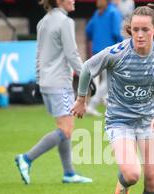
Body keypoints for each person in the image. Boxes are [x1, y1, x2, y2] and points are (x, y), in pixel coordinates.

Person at [71, 3, 154, 194]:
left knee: (153, 180)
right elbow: (87, 67)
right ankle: (123, 181)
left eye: (144, 30)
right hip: (120, 120)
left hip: (150, 121)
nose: (139, 35)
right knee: (132, 174)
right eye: (135, 29)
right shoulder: (116, 53)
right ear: (129, 30)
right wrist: (81, 99)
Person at [15, 0, 93, 184]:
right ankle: (26, 158)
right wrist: (85, 77)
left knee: (64, 127)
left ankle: (69, 173)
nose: (73, 0)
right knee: (66, 130)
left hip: (46, 82)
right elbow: (72, 53)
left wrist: (38, 80)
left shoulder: (43, 21)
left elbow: (39, 55)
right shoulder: (65, 22)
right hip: (59, 83)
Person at [85, 0, 124, 117]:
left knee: (109, 81)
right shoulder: (114, 12)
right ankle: (92, 105)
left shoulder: (97, 13)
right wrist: (124, 46)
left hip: (98, 51)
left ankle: (111, 105)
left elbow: (88, 32)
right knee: (109, 81)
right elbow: (116, 32)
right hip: (111, 52)